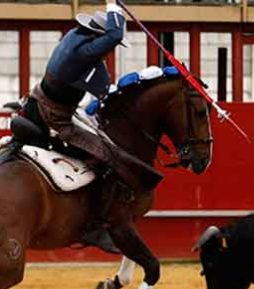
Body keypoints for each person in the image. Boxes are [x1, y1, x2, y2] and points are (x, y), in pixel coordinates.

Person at [19, 0, 162, 253]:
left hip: (39, 103)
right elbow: (115, 35)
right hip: (56, 118)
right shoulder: (85, 52)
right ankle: (96, 228)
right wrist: (113, 5)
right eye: (107, 45)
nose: (110, 49)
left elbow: (100, 83)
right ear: (98, 37)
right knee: (107, 157)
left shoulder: (73, 37)